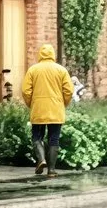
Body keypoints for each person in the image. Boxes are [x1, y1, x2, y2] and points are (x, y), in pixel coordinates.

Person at [19, 42, 74, 179]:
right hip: (56, 109)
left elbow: (26, 91)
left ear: (40, 55)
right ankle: (52, 170)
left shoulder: (33, 70)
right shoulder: (61, 70)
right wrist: (63, 104)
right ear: (53, 55)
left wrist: (31, 104)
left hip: (39, 108)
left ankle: (41, 159)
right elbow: (69, 91)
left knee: (37, 136)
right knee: (54, 139)